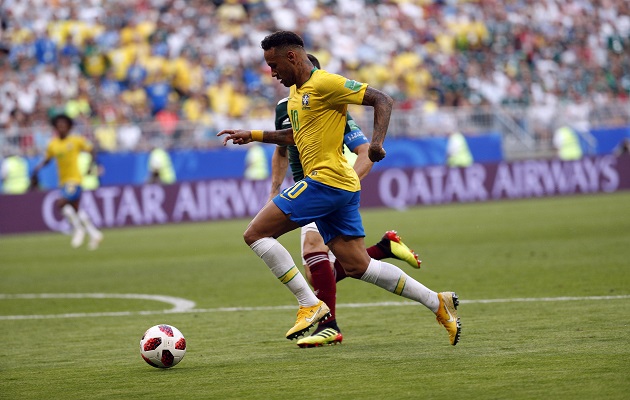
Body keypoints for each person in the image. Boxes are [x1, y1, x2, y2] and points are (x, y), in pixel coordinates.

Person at [218, 31, 461, 346]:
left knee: (255, 234)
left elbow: (382, 99)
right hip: (340, 187)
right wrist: (253, 134)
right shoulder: (296, 95)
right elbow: (295, 137)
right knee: (357, 265)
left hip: (325, 180)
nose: (272, 73)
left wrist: (375, 144)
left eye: (274, 65)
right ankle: (436, 302)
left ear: (292, 56)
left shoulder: (325, 83)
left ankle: (310, 305)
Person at [269, 53, 422, 348]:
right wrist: (274, 189)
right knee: (321, 275)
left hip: (326, 188)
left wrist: (344, 187)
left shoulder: (332, 104)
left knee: (314, 252)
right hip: (303, 190)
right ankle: (383, 247)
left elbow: (364, 150)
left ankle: (330, 326)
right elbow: (280, 149)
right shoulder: (285, 106)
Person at [30, 114, 103, 250]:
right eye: (59, 126)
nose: (61, 128)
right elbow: (48, 159)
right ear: (55, 128)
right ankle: (95, 233)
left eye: (64, 125)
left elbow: (92, 149)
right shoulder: (53, 144)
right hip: (63, 181)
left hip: (74, 180)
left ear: (69, 127)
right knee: (75, 210)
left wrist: (91, 165)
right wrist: (38, 168)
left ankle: (78, 230)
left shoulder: (76, 140)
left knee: (61, 203)